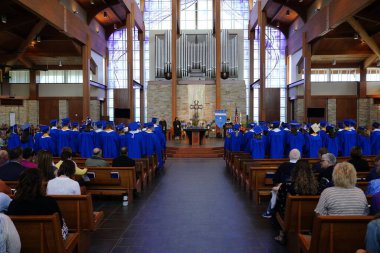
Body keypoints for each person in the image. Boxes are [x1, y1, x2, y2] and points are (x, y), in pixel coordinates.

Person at [7, 169, 68, 240]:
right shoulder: (49, 202)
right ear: (40, 184)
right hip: (48, 245)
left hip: (22, 245)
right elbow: (59, 225)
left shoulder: (13, 204)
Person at [274, 160, 319, 245]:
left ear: (295, 170)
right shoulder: (317, 186)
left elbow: (281, 203)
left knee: (277, 208)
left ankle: (282, 234)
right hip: (310, 218)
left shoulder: (288, 186)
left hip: (291, 218)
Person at [262, 149, 301, 218]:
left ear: (289, 156)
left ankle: (269, 212)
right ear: (299, 157)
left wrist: (278, 184)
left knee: (274, 191)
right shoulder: (303, 166)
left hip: (285, 190)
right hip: (300, 190)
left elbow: (276, 179)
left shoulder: (283, 166)